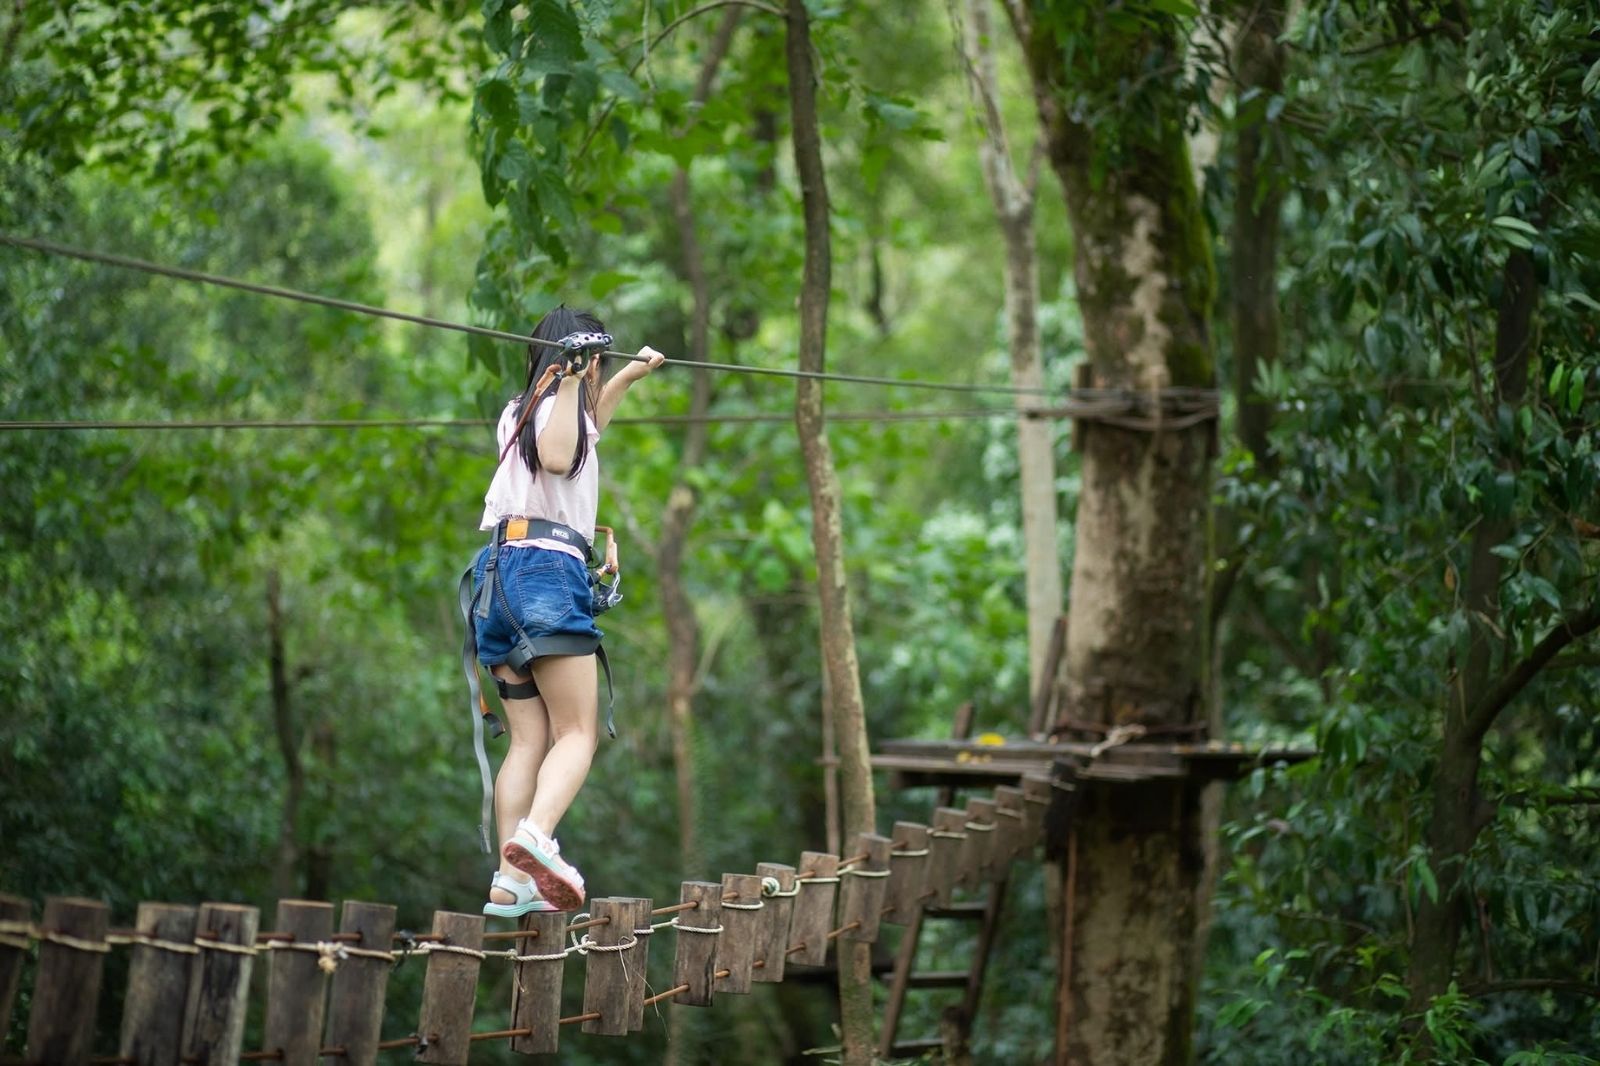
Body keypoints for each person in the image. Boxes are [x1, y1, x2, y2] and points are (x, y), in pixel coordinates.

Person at [471, 306, 664, 916]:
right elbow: (560, 458)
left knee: (527, 741)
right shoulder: (559, 411)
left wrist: (623, 378)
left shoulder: (517, 412)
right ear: (575, 361)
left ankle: (510, 881)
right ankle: (536, 836)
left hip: (495, 581)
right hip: (546, 577)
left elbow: (580, 433)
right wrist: (580, 376)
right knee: (577, 732)